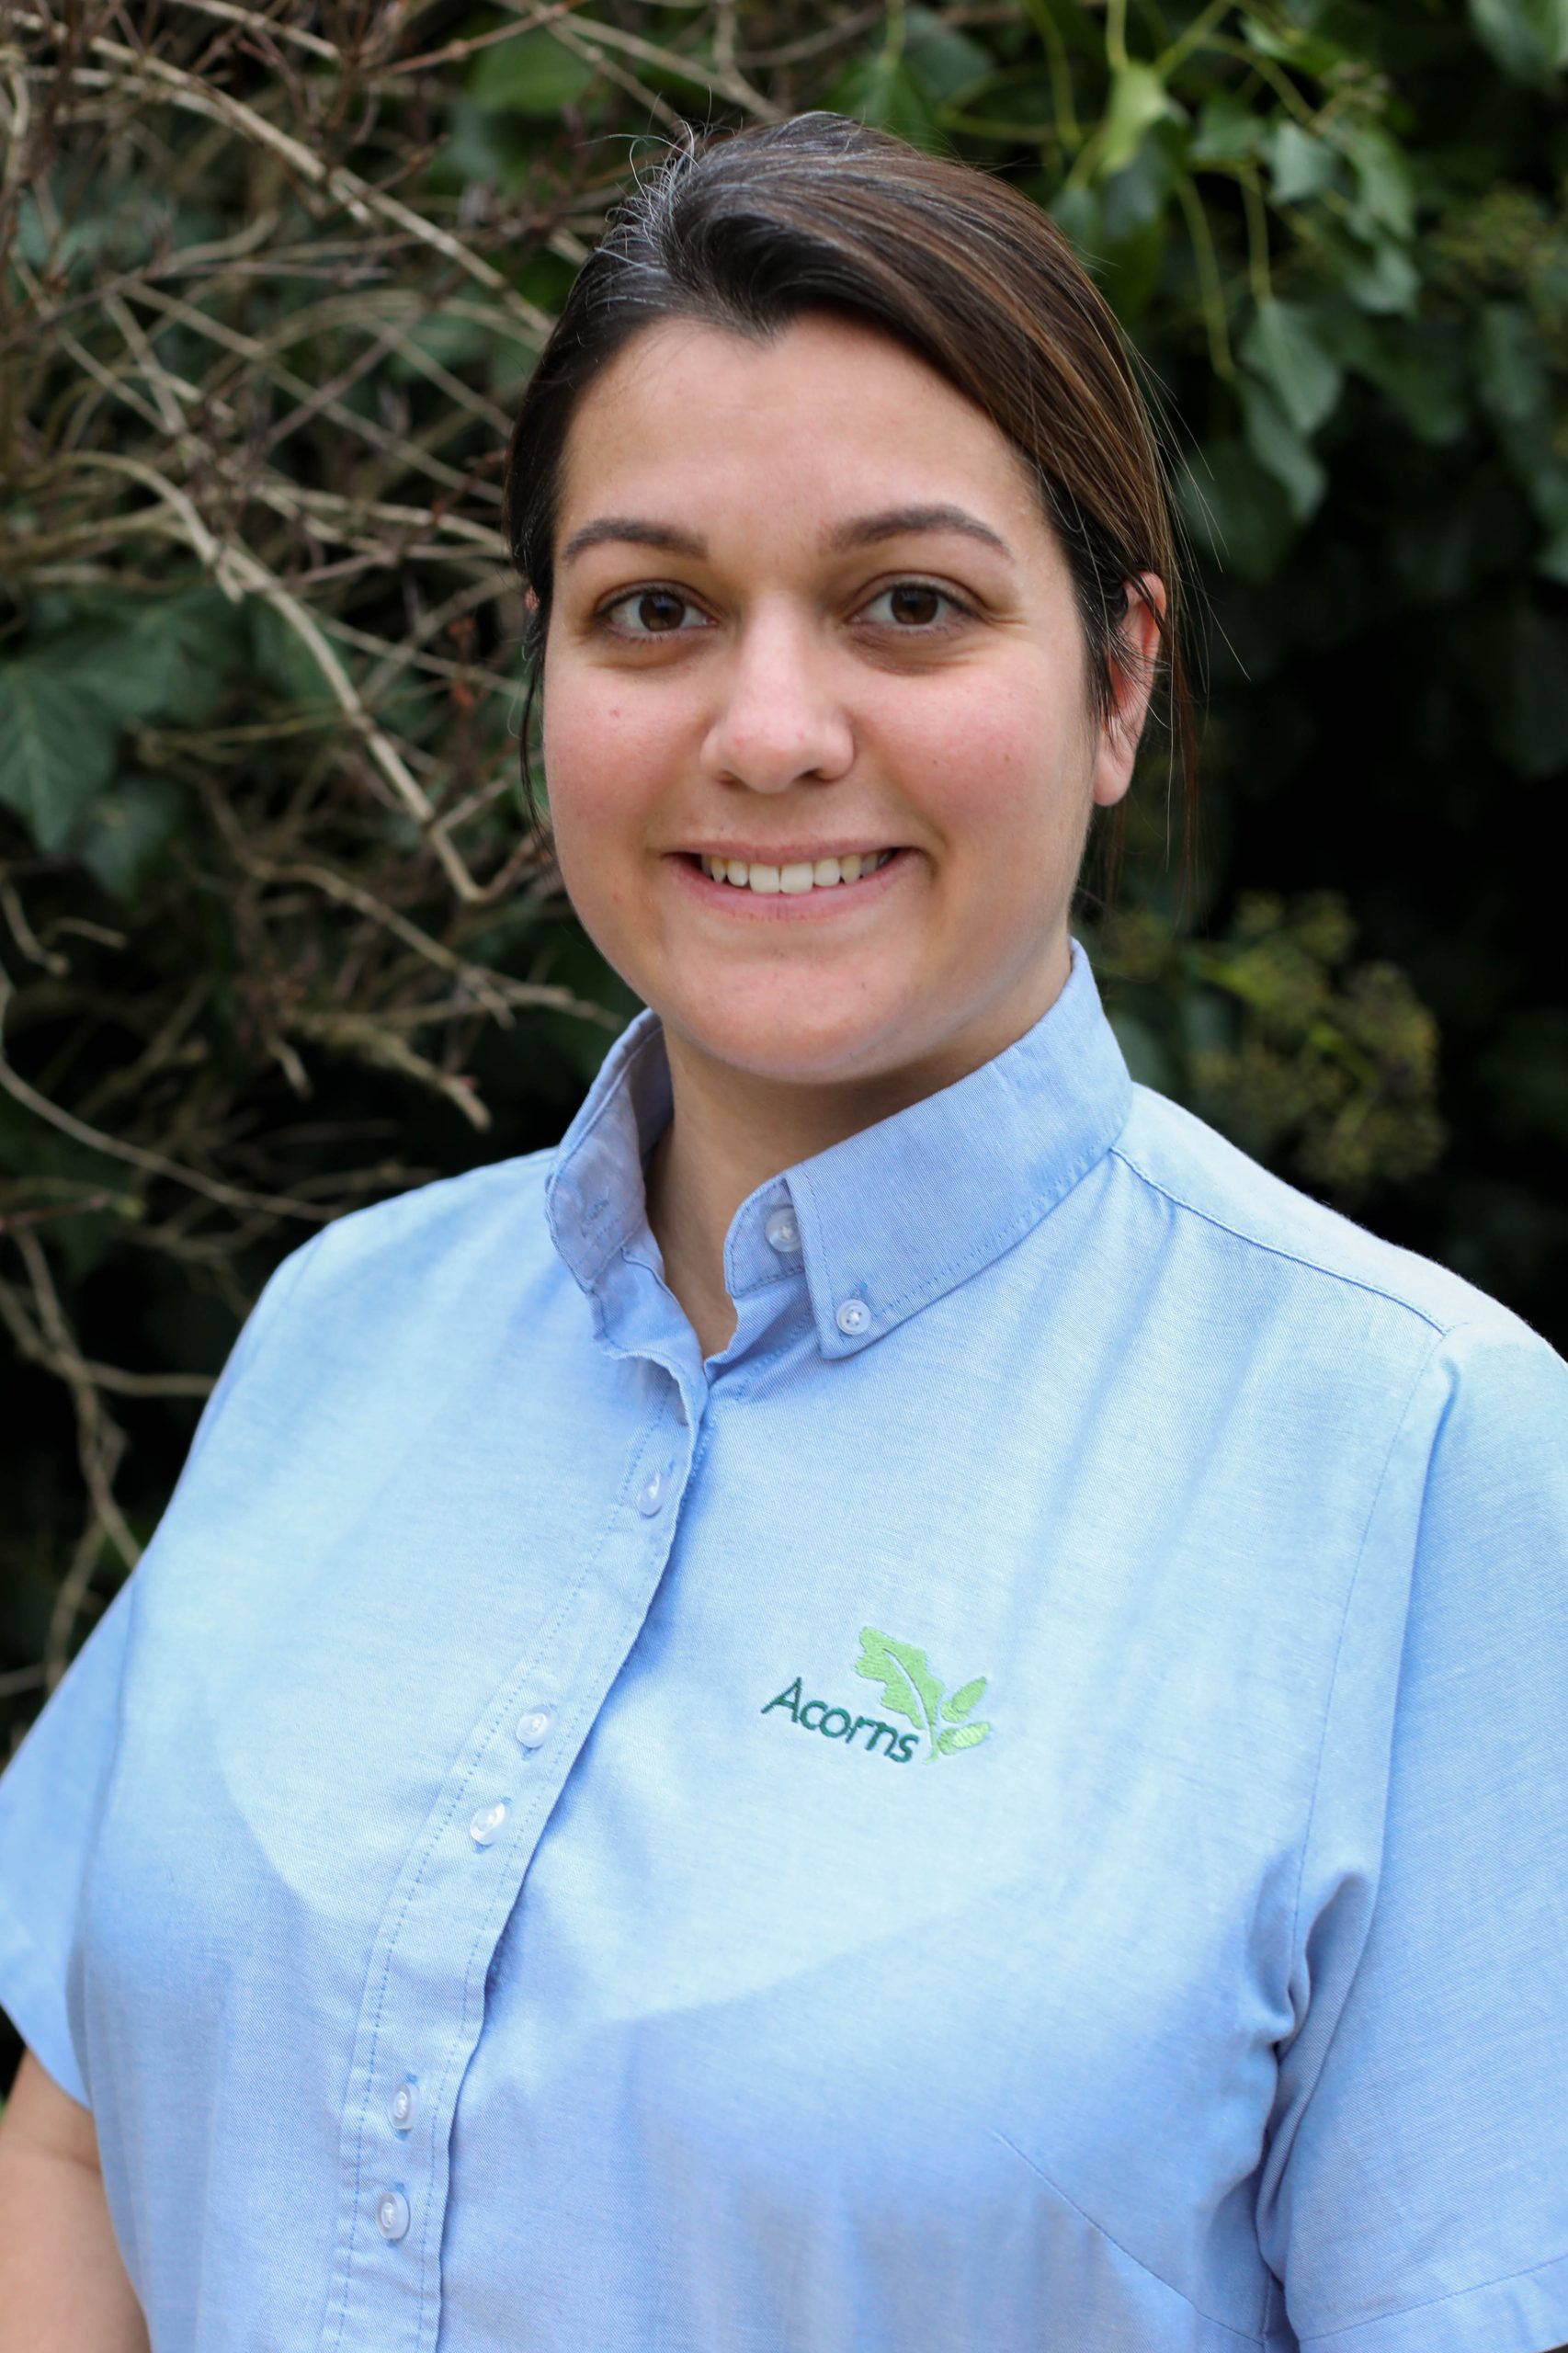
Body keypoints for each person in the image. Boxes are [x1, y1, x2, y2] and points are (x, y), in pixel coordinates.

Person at [0, 109, 1564, 2353]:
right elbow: (76, 2114)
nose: (767, 727)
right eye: (652, 610)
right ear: (528, 670)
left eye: (905, 603)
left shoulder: (1424, 1461)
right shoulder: (347, 1328)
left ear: (1118, 680)